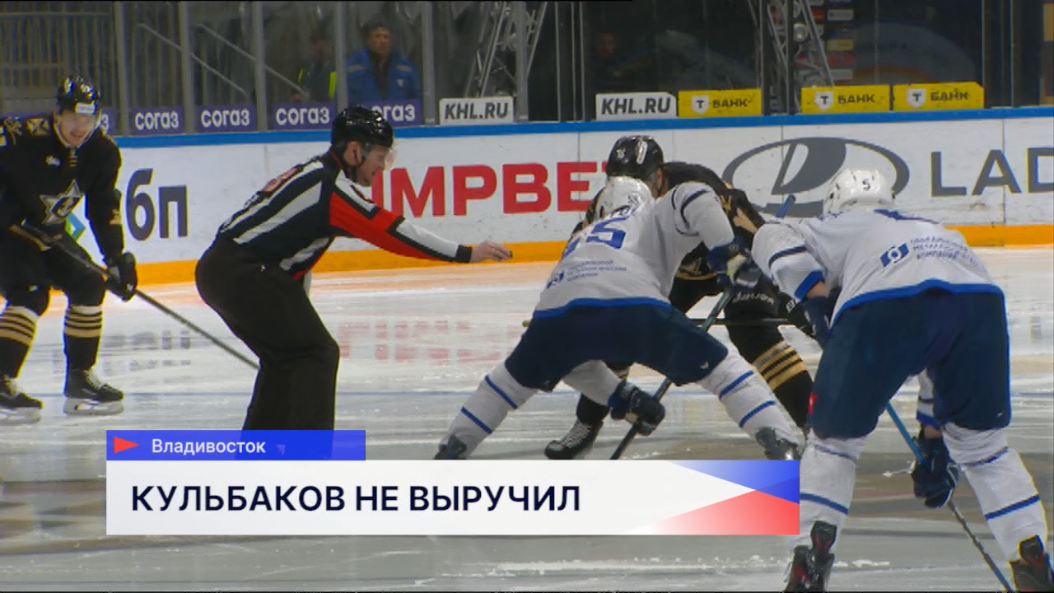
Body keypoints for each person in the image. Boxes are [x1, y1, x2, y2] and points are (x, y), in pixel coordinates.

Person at [752, 169, 1053, 592]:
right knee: (984, 447)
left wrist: (814, 297)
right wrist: (933, 440)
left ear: (835, 203)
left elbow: (768, 235)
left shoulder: (829, 224)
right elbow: (936, 349)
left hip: (883, 304)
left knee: (834, 444)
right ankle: (1029, 549)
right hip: (978, 303)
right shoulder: (934, 227)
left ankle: (811, 556)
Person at [434, 174, 802, 460]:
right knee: (724, 372)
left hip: (555, 314)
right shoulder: (650, 213)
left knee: (503, 386)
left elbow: (571, 360)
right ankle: (782, 444)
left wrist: (622, 397)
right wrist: (730, 254)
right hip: (632, 304)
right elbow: (696, 195)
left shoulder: (580, 238)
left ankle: (449, 454)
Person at [195, 106, 511, 431]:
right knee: (317, 353)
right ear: (355, 150)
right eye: (380, 156)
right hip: (245, 274)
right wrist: (465, 253)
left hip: (222, 269)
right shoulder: (332, 189)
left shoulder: (314, 173)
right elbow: (393, 232)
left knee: (285, 359)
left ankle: (260, 451)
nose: (382, 167)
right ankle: (311, 454)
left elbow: (288, 254)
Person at [545, 135, 813, 460]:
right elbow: (582, 249)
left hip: (733, 260)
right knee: (621, 333)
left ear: (659, 175)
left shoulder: (697, 186)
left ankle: (815, 427)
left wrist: (783, 286)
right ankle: (586, 425)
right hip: (677, 275)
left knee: (755, 333)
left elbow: (752, 230)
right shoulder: (609, 200)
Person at [0, 75, 136, 425]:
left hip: (45, 233)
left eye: (88, 119)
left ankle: (80, 380)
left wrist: (116, 258)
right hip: (5, 231)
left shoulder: (102, 151)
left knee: (90, 283)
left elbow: (103, 207)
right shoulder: (20, 136)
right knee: (30, 292)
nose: (80, 127)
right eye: (73, 117)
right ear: (57, 113)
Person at [345, 20, 422, 106]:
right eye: (377, 36)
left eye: (386, 37)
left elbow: (417, 100)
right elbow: (342, 99)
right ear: (368, 41)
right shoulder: (353, 67)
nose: (382, 41)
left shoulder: (405, 68)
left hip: (397, 114)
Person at [292, 28, 336, 103]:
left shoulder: (339, 67)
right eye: (315, 51)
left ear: (328, 45)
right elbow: (297, 87)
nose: (317, 55)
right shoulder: (305, 68)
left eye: (320, 51)